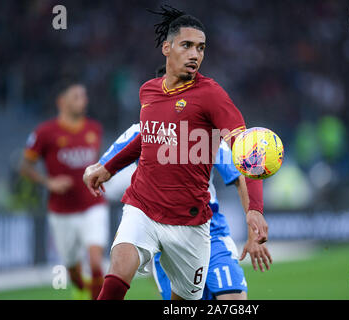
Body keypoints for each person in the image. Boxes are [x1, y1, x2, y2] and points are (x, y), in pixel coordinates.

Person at [84, 5, 268, 300]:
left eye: (201, 48)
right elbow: (148, 136)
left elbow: (246, 153)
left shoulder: (211, 95)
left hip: (191, 223)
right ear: (167, 48)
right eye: (187, 45)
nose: (195, 54)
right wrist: (109, 168)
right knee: (120, 265)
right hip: (143, 207)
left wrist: (255, 210)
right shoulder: (148, 92)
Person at [89, 120, 272, 300]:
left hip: (211, 231)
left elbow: (240, 176)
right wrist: (91, 173)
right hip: (167, 239)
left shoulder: (204, 134)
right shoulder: (140, 132)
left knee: (233, 297)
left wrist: (252, 233)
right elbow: (102, 166)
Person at [20, 81, 109, 300]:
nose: (84, 100)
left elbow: (94, 162)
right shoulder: (44, 133)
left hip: (93, 205)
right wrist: (48, 182)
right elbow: (24, 166)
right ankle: (79, 287)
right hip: (61, 211)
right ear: (62, 101)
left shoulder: (94, 129)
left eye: (84, 95)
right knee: (73, 269)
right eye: (77, 96)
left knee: (96, 262)